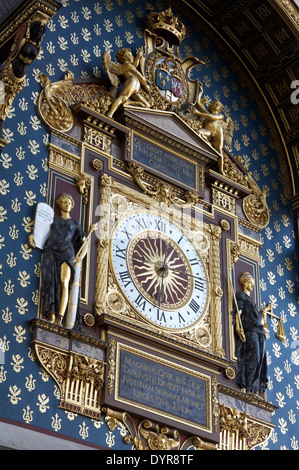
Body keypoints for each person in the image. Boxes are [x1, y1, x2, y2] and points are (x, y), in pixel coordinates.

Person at [29, 194, 87, 326]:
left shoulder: (74, 223)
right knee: (50, 281)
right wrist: (33, 236)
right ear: (60, 204)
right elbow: (41, 232)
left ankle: (61, 317)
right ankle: (52, 315)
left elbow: (85, 243)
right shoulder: (53, 220)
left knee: (63, 281)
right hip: (50, 249)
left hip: (66, 251)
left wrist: (80, 256)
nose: (67, 205)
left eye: (69, 203)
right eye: (65, 202)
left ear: (72, 206)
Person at [232, 272, 271, 395]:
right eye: (250, 282)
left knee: (261, 361)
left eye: (253, 283)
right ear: (244, 282)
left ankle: (255, 389)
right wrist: (238, 327)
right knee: (254, 358)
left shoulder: (252, 302)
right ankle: (249, 387)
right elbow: (239, 312)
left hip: (260, 333)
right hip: (250, 332)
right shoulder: (241, 296)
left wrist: (263, 312)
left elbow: (260, 322)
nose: (252, 285)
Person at [103, 48, 151, 118]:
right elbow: (140, 76)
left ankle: (128, 103)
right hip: (133, 82)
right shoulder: (127, 66)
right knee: (122, 97)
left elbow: (134, 66)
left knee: (147, 105)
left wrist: (139, 55)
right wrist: (146, 86)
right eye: (130, 55)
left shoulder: (128, 66)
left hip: (135, 87)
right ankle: (110, 113)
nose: (132, 57)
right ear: (125, 57)